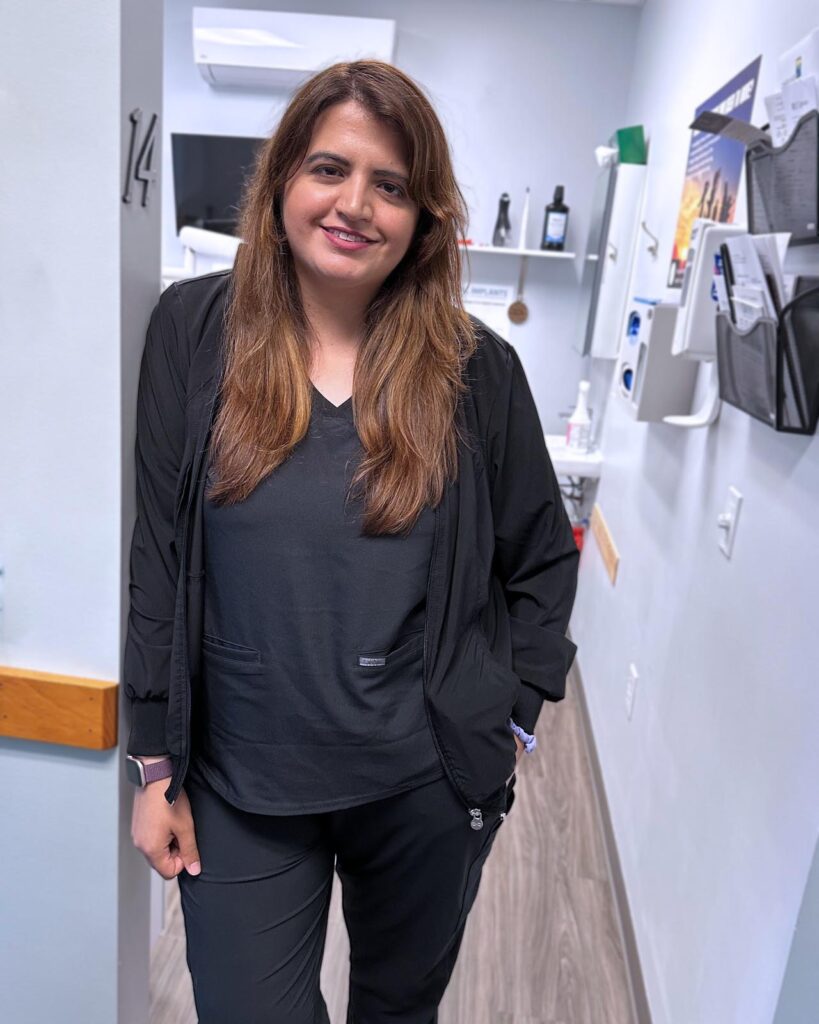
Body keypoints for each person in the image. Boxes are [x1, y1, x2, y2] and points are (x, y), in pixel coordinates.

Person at [125, 59, 579, 1024]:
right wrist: (154, 763)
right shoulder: (193, 332)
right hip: (240, 782)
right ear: (281, 177)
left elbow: (541, 557)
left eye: (391, 186)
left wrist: (511, 718)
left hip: (422, 785)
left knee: (397, 1011)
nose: (355, 206)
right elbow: (157, 556)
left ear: (422, 218)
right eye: (329, 169)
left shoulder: (475, 372)